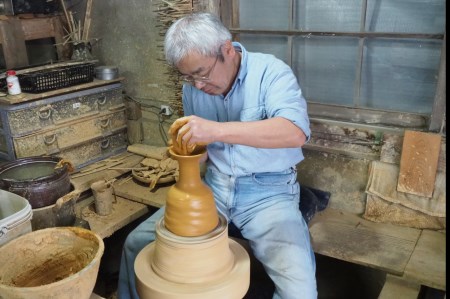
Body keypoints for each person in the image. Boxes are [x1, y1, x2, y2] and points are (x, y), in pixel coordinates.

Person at [118, 12, 317, 299]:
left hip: (269, 194)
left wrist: (216, 130)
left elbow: (295, 131)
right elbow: (200, 153)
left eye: (201, 73)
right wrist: (188, 152)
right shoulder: (193, 89)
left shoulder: (271, 72)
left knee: (300, 290)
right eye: (187, 76)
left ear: (227, 49)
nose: (197, 84)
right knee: (136, 244)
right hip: (214, 189)